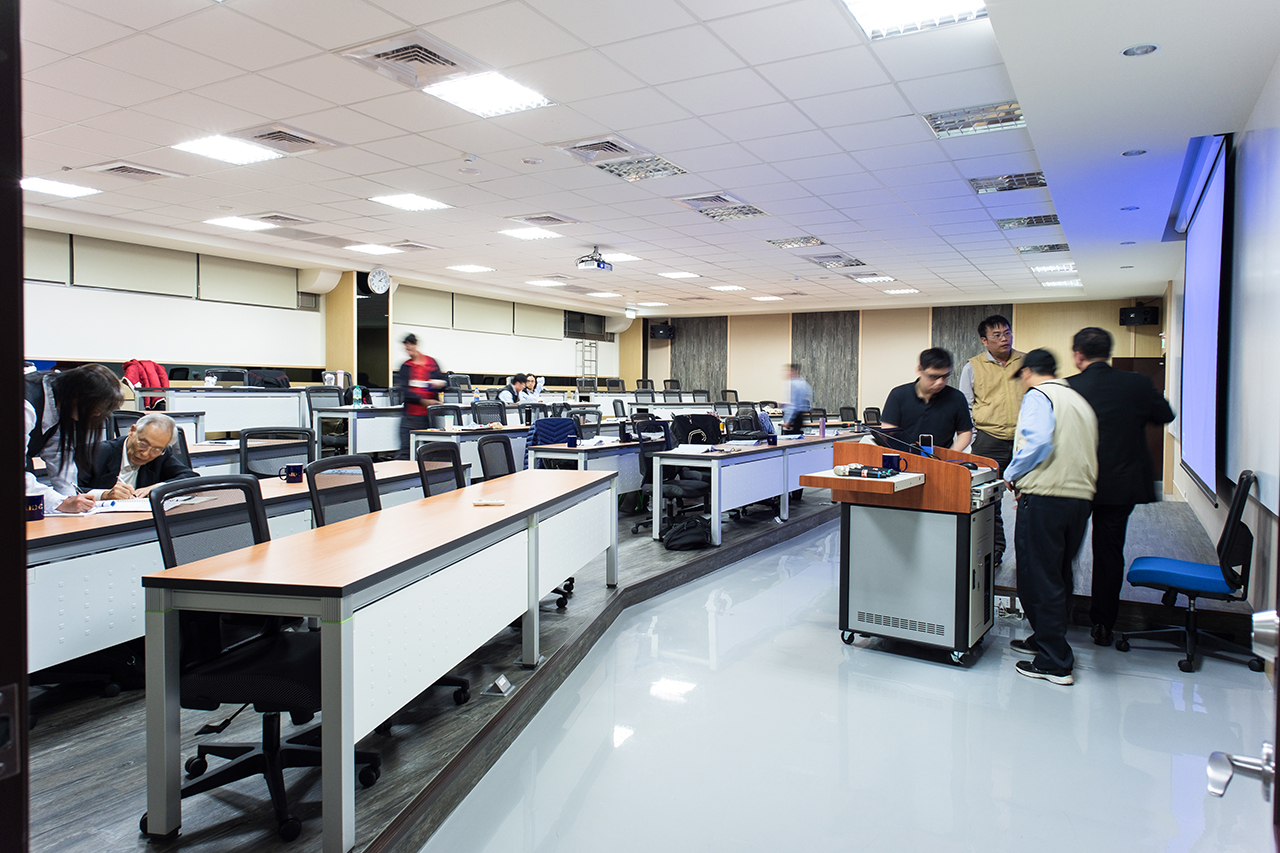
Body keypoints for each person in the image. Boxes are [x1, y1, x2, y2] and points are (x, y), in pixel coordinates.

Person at [1066, 327, 1175, 647]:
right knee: (1110, 553)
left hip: (1076, 482)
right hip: (1121, 484)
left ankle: (1058, 618)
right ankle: (1103, 624)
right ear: (1108, 353)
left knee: (1065, 551)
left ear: (1077, 355)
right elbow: (1165, 414)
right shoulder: (1137, 383)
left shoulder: (1068, 387)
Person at [1004, 349, 1098, 686]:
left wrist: (1012, 474)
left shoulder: (1038, 396)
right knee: (1058, 574)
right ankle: (1045, 639)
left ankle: (1054, 662)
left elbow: (1038, 442)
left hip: (1046, 497)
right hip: (1078, 499)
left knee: (1037, 577)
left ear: (1028, 372)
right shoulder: (1078, 400)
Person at [960, 314, 1025, 566]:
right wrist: (976, 438)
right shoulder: (973, 366)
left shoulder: (1025, 362)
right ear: (984, 340)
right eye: (997, 335)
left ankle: (1027, 553)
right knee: (990, 499)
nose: (1004, 339)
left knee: (1027, 499)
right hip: (989, 440)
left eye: (1007, 333)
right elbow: (966, 405)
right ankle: (995, 549)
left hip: (1023, 441)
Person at [25, 363, 124, 514]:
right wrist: (60, 503)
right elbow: (9, 472)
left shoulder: (59, 399)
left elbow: (58, 455)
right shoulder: (25, 405)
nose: (96, 415)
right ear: (77, 397)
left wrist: (71, 499)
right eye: (96, 409)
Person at [79, 412, 198, 499]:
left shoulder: (161, 455)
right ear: (132, 431)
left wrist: (158, 488)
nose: (145, 453)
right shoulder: (95, 453)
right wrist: (104, 495)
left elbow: (191, 478)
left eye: (156, 449)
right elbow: (72, 490)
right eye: (143, 444)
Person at [880, 348, 973, 451]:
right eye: (933, 377)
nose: (940, 382)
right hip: (905, 456)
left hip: (942, 457)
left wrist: (951, 455)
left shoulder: (957, 398)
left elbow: (965, 432)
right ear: (920, 370)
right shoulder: (898, 395)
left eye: (945, 376)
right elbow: (889, 431)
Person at [395, 333, 446, 460]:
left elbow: (444, 383)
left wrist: (438, 384)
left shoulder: (431, 363)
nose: (409, 352)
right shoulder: (406, 366)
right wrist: (424, 401)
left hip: (429, 416)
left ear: (415, 345)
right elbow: (405, 391)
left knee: (431, 452)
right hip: (410, 416)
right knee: (406, 452)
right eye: (406, 350)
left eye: (410, 349)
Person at [781, 363, 812, 434]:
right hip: (801, 415)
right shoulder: (804, 383)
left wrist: (788, 420)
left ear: (793, 371)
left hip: (794, 416)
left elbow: (793, 405)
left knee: (791, 438)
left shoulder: (792, 384)